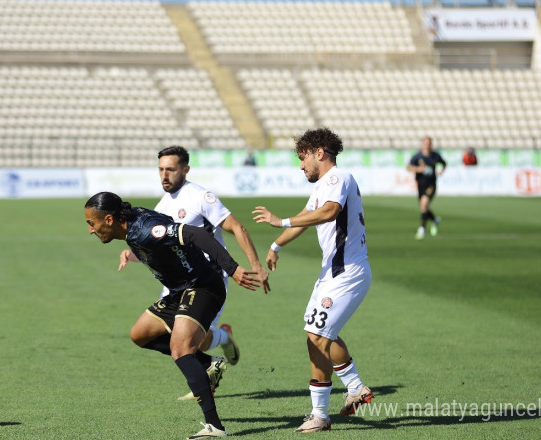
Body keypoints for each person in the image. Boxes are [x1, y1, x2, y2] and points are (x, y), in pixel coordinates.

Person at [85, 192, 261, 439]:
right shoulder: (131, 223)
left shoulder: (146, 229)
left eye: (91, 223)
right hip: (179, 291)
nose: (91, 230)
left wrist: (232, 269)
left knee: (181, 350)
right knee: (140, 335)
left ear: (110, 219)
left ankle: (215, 426)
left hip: (202, 286)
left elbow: (195, 234)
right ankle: (208, 363)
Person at [118, 146, 270, 399]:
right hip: (176, 281)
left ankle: (221, 340)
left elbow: (237, 227)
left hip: (207, 279)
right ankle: (208, 366)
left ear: (185, 170)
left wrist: (256, 266)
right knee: (169, 335)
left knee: (191, 339)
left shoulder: (201, 197)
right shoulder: (163, 205)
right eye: (161, 170)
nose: (164, 175)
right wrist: (132, 254)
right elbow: (159, 244)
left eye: (171, 169)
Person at [252, 127, 373, 433]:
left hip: (347, 272)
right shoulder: (323, 186)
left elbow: (329, 213)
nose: (301, 165)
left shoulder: (337, 178)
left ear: (319, 152)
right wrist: (276, 244)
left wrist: (281, 220)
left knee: (318, 335)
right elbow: (307, 216)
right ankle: (355, 388)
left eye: (302, 157)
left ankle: (320, 415)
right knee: (318, 334)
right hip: (333, 272)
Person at [405, 136, 446, 240]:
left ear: (431, 144)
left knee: (424, 204)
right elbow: (408, 167)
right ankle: (435, 220)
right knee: (424, 208)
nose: (427, 145)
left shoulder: (435, 156)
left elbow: (444, 163)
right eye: (426, 143)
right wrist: (418, 169)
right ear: (423, 144)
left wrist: (441, 170)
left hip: (431, 185)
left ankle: (422, 229)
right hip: (421, 185)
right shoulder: (417, 157)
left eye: (429, 143)